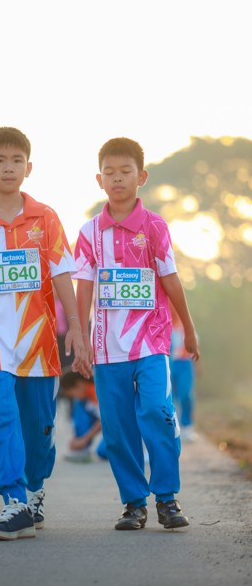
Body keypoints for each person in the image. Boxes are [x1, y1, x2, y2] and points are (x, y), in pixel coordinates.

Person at [0, 126, 90, 541]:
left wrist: (76, 327)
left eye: (16, 161)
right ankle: (13, 502)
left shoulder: (45, 217)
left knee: (39, 428)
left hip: (38, 341)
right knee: (1, 416)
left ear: (29, 168)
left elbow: (62, 274)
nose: (8, 168)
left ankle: (34, 489)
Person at [74, 137, 200, 531]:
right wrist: (81, 336)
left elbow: (171, 279)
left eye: (125, 171)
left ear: (141, 176)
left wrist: (189, 328)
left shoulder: (155, 226)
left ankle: (167, 498)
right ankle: (133, 504)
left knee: (158, 413)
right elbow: (83, 286)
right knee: (117, 428)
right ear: (99, 179)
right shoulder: (89, 232)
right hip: (106, 348)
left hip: (152, 341)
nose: (117, 178)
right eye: (109, 172)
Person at [60, 370, 107, 462]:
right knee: (79, 405)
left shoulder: (96, 391)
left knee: (103, 451)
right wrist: (76, 438)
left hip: (119, 426)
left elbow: (104, 419)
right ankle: (80, 447)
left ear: (79, 384)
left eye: (72, 394)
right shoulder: (83, 398)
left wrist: (84, 439)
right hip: (101, 419)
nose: (74, 397)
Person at [169, 302, 198, 442]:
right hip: (168, 363)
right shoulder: (163, 322)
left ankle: (187, 425)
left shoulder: (185, 324)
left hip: (184, 363)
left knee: (186, 394)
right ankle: (172, 428)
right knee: (170, 397)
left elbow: (194, 344)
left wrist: (197, 364)